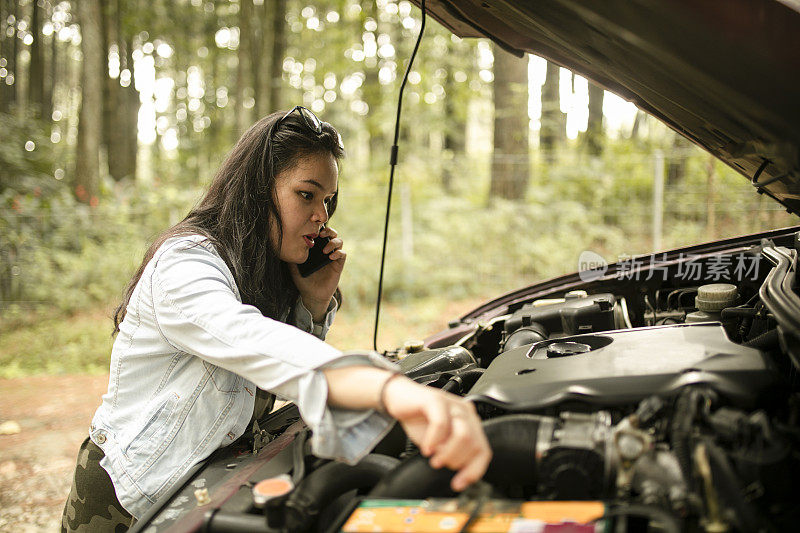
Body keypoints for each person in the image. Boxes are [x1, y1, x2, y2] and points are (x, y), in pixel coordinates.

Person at [61, 107, 491, 531]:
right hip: (128, 496)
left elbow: (268, 378)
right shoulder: (185, 265)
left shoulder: (263, 268)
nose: (321, 215)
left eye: (327, 200)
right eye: (307, 194)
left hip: (206, 485)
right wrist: (388, 390)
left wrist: (315, 303)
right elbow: (250, 340)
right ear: (256, 191)